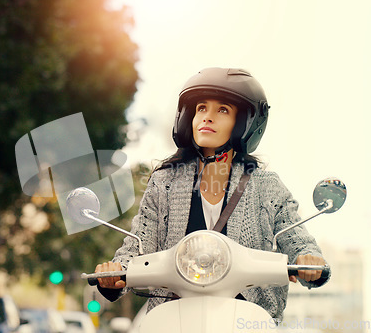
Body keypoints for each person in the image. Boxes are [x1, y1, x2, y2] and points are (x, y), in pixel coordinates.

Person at [94, 67, 329, 320]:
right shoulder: (164, 183)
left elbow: (296, 237)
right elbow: (139, 243)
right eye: (201, 108)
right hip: (175, 316)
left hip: (248, 318)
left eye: (223, 110)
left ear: (244, 124)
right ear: (188, 118)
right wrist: (116, 271)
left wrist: (309, 260)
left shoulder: (266, 185)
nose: (207, 117)